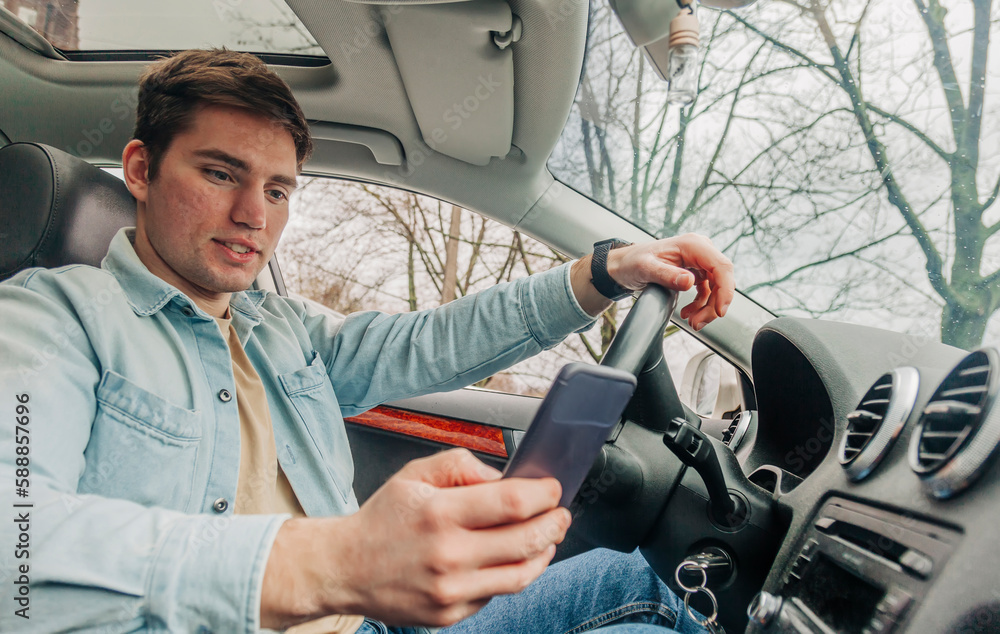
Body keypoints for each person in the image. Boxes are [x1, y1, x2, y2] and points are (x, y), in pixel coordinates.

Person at [0, 50, 733, 633]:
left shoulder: (280, 329)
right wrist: (338, 560)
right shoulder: (52, 321)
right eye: (221, 173)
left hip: (373, 621)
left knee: (657, 580)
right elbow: (15, 551)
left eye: (278, 190)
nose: (254, 214)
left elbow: (433, 341)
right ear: (140, 169)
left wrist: (605, 272)